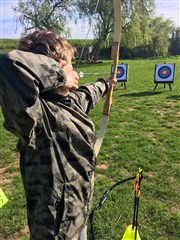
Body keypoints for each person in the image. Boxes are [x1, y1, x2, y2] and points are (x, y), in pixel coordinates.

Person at [0, 30, 117, 240]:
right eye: (70, 64)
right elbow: (8, 65)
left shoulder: (69, 103)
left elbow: (88, 94)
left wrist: (106, 83)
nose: (76, 73)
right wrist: (61, 76)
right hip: (55, 231)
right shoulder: (36, 117)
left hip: (79, 212)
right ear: (56, 67)